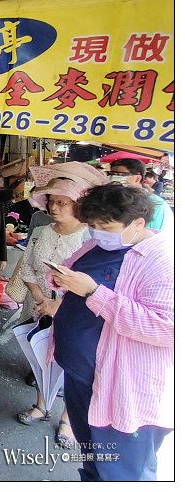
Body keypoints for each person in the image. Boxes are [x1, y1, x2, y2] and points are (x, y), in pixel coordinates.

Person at [49, 184, 173, 481]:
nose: (97, 232)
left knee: (123, 471)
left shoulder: (164, 261)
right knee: (93, 458)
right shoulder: (98, 244)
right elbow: (74, 268)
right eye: (92, 225)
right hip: (80, 372)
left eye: (106, 225)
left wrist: (94, 293)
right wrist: (60, 278)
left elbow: (166, 327)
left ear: (138, 224)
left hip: (123, 385)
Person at [15, 175, 102, 449]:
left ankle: (69, 420)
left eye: (62, 202)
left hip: (74, 312)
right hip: (38, 304)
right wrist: (41, 299)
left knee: (73, 366)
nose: (54, 207)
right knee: (42, 357)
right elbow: (27, 265)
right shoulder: (42, 230)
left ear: (77, 204)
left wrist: (57, 305)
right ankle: (41, 405)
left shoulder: (91, 237)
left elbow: (93, 283)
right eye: (52, 202)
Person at [106, 158, 172, 231]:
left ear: (137, 178)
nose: (113, 178)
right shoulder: (110, 199)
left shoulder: (157, 205)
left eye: (119, 175)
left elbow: (155, 235)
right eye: (111, 174)